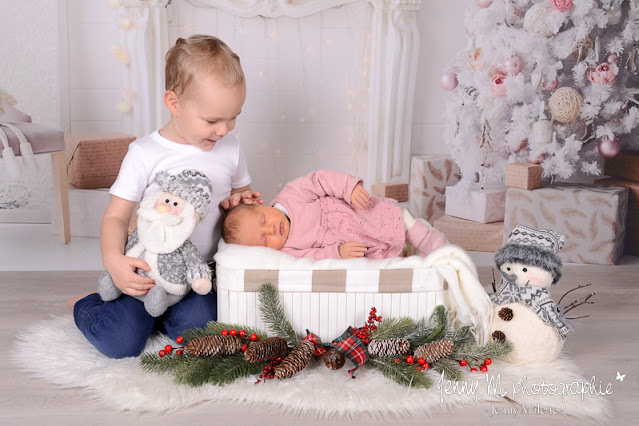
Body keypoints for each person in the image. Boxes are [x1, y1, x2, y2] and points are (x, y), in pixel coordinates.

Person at [68, 35, 262, 358]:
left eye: (234, 117)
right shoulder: (144, 153)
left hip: (198, 275)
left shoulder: (231, 150)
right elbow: (116, 216)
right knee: (119, 342)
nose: (224, 130)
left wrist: (243, 205)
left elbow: (243, 204)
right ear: (174, 103)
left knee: (207, 332)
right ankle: (87, 305)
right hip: (146, 272)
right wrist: (114, 263)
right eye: (213, 120)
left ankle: (162, 317)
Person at [222, 169, 447, 260]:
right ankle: (413, 262)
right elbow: (314, 257)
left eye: (263, 219)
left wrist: (349, 188)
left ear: (262, 205)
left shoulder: (290, 195)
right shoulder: (288, 250)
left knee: (398, 217)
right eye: (264, 239)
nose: (271, 229)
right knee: (379, 255)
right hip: (352, 240)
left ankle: (432, 244)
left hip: (355, 212)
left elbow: (321, 179)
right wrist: (337, 252)